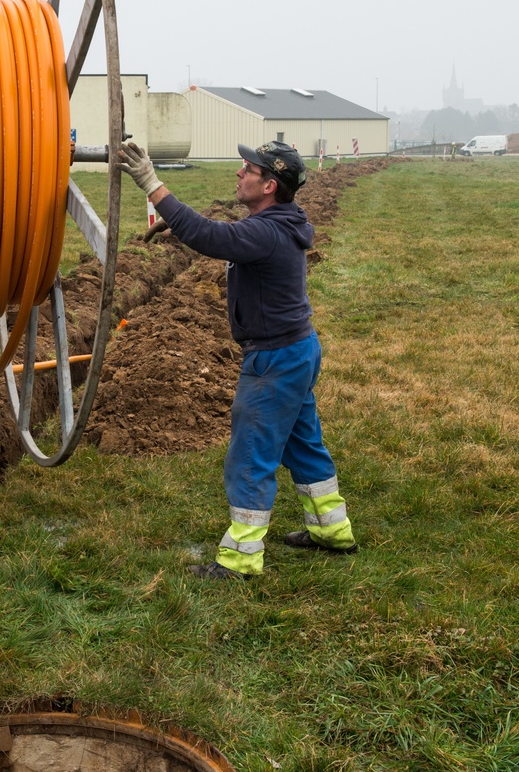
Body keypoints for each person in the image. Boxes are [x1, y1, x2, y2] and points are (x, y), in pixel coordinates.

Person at [119, 138, 357, 580]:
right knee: (303, 444)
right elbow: (228, 239)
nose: (239, 173)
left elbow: (214, 236)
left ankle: (242, 559)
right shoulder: (282, 222)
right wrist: (183, 228)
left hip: (274, 360)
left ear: (269, 185)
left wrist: (152, 184)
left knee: (250, 454)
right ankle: (332, 530)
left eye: (247, 169)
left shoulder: (266, 231)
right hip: (298, 350)